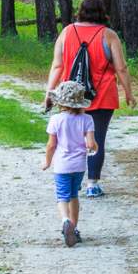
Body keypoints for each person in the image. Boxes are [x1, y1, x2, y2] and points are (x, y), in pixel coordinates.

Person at [44, 0, 137, 198]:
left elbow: (57, 65)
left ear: (81, 11)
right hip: (102, 95)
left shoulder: (67, 32)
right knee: (96, 140)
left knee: (71, 139)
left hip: (71, 96)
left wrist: (49, 93)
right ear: (102, 12)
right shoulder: (109, 35)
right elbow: (121, 68)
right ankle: (92, 184)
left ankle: (72, 180)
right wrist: (128, 93)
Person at [42, 80, 98, 247]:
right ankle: (74, 229)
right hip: (79, 166)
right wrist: (95, 146)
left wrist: (47, 161)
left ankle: (65, 220)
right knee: (74, 195)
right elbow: (90, 144)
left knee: (62, 196)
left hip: (62, 166)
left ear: (60, 102)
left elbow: (51, 145)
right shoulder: (87, 119)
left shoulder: (55, 120)